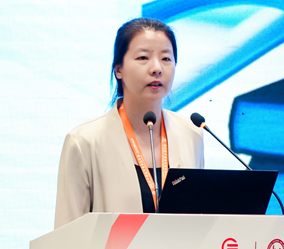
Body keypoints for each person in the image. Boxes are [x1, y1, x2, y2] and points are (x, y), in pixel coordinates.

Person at [55, 18, 204, 229]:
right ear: (119, 70)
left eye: (166, 58)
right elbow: (66, 234)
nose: (157, 68)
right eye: (143, 57)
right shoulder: (84, 141)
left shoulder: (191, 133)